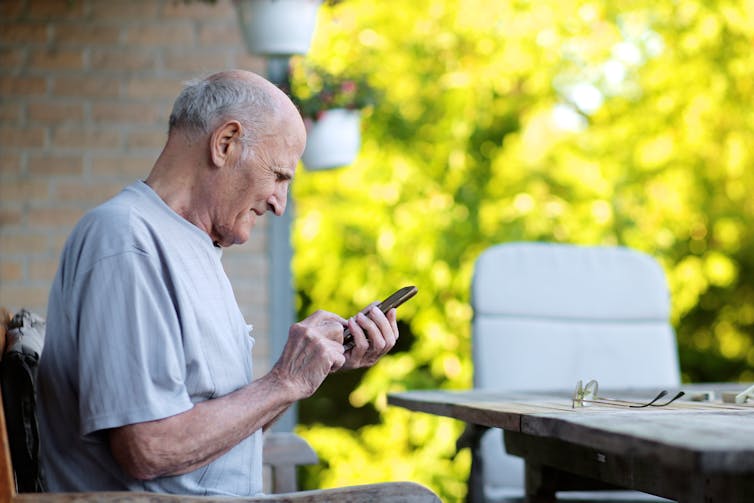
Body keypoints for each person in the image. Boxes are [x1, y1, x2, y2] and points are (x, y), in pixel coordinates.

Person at [36, 70, 399, 496]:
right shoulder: (126, 241)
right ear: (225, 143)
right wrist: (282, 381)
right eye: (279, 176)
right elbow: (147, 449)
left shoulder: (194, 246)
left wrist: (308, 373)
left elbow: (213, 445)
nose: (279, 204)